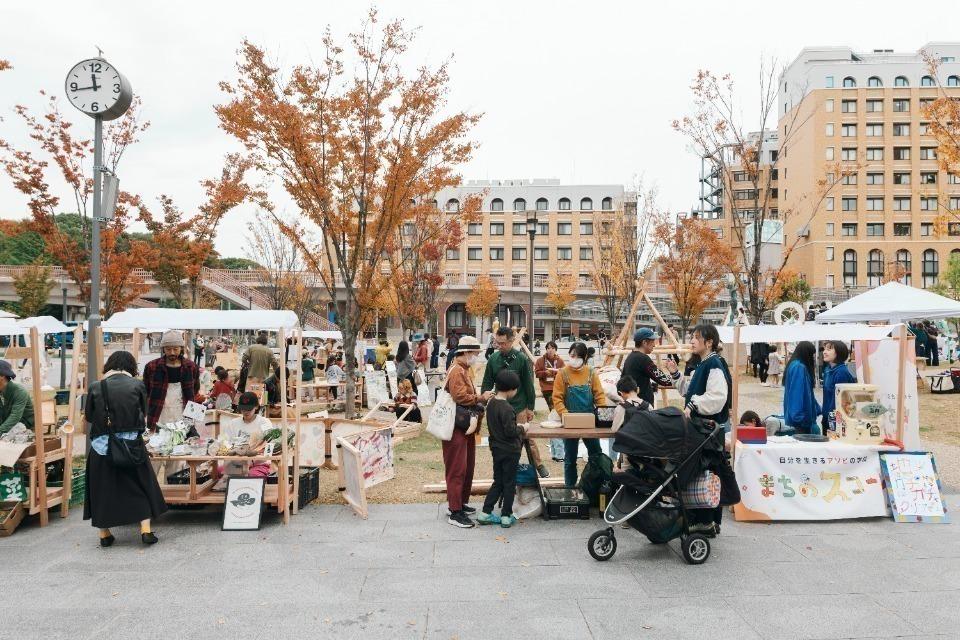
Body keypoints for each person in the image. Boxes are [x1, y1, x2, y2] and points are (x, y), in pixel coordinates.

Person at [83, 351, 166, 547]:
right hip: (132, 446)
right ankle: (145, 529)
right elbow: (143, 414)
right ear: (131, 367)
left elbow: (89, 416)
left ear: (109, 365)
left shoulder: (96, 386)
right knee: (141, 484)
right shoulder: (138, 385)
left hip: (102, 446)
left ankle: (104, 534)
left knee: (101, 489)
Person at [663, 324, 732, 535]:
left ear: (708, 341)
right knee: (702, 474)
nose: (691, 341)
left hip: (708, 432)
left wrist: (693, 406)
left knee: (705, 475)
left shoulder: (714, 364)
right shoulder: (704, 364)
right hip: (702, 431)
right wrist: (675, 374)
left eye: (695, 337)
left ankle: (705, 522)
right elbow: (689, 391)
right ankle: (705, 521)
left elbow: (717, 399)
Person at [480, 326, 547, 478]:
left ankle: (539, 464)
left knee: (526, 437)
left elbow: (529, 385)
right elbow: (486, 383)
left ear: (511, 341)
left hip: (519, 406)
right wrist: (483, 401)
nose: (499, 346)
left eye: (503, 343)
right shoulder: (493, 359)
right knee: (500, 439)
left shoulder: (521, 359)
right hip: (499, 406)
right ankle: (504, 470)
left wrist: (530, 407)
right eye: (497, 342)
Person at [477, 369, 528, 528]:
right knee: (509, 482)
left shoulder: (491, 403)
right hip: (510, 451)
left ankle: (485, 512)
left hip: (496, 449)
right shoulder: (507, 408)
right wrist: (523, 427)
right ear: (511, 389)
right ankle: (506, 515)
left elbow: (501, 427)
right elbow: (510, 431)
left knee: (497, 481)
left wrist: (515, 426)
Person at [552, 342, 607, 488]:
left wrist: (602, 412)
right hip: (569, 422)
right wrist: (565, 415)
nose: (574, 359)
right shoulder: (562, 373)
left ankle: (595, 486)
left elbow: (599, 395)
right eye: (571, 355)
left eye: (577, 356)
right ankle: (570, 487)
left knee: (596, 454)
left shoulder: (591, 372)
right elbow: (557, 398)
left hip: (589, 421)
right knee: (570, 458)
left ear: (585, 357)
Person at [443, 336, 485, 528]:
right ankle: (455, 511)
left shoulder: (463, 369)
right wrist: (480, 397)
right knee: (457, 469)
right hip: (455, 425)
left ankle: (459, 503)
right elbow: (459, 396)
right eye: (475, 354)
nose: (476, 357)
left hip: (463, 425)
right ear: (466, 352)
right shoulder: (457, 370)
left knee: (467, 466)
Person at [143, 331, 199, 429]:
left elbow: (195, 389)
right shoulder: (152, 367)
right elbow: (146, 390)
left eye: (175, 349)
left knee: (183, 439)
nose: (172, 352)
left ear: (181, 348)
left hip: (183, 411)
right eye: (168, 349)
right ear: (163, 349)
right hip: (158, 413)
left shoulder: (191, 367)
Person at [621, 328, 681, 407]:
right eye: (652, 341)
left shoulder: (631, 356)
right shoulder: (643, 359)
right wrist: (675, 374)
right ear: (644, 342)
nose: (654, 345)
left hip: (632, 404)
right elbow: (664, 380)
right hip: (642, 407)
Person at [782, 341, 822, 435]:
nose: (812, 358)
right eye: (811, 354)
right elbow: (797, 393)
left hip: (800, 419)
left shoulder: (794, 364)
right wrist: (799, 417)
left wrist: (816, 409)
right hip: (801, 422)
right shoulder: (799, 367)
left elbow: (807, 393)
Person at [534, 341, 565, 462]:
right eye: (548, 348)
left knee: (553, 417)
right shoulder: (540, 360)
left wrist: (557, 372)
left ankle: (556, 452)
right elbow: (536, 373)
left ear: (555, 349)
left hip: (559, 389)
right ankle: (558, 453)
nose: (550, 350)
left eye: (552, 348)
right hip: (547, 389)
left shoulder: (560, 361)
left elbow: (565, 372)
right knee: (556, 417)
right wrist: (544, 373)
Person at [821, 340, 856, 433]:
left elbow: (840, 401)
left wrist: (832, 422)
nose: (824, 352)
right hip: (827, 418)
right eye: (824, 349)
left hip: (837, 421)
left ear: (839, 352)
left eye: (829, 349)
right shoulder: (828, 370)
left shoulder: (841, 372)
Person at [0, 359, 34, 434]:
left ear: (2, 376)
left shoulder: (19, 391)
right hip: (7, 424)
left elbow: (15, 417)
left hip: (23, 425)